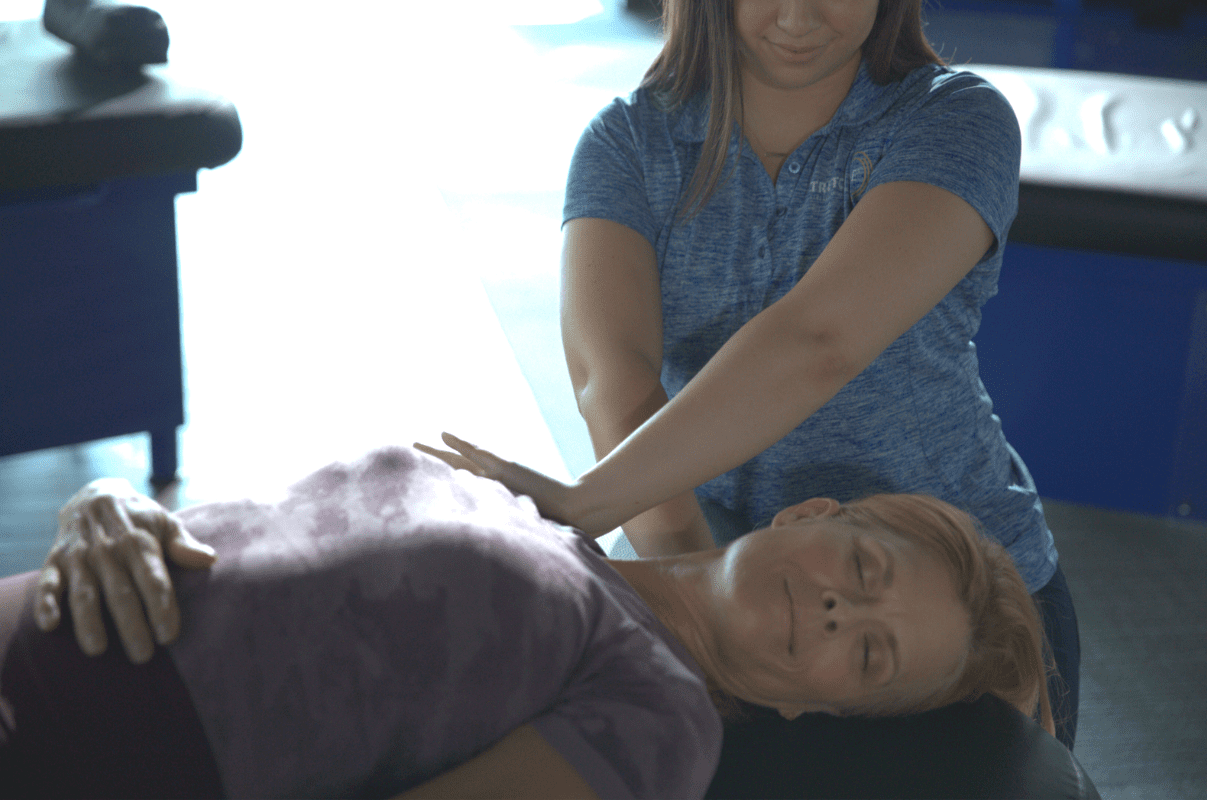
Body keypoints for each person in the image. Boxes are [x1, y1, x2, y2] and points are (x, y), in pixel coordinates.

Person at [547, 0, 1083, 747]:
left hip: (962, 606)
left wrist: (586, 507)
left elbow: (819, 340)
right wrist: (699, 604)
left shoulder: (955, 118)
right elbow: (614, 380)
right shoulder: (629, 144)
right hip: (754, 598)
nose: (799, 11)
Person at [6, 444, 1052, 798]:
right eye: (861, 569)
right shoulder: (534, 520)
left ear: (811, 707)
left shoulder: (661, 726)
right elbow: (274, 536)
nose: (834, 608)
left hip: (69, 740)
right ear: (809, 512)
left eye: (866, 648)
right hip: (39, 600)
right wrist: (105, 499)